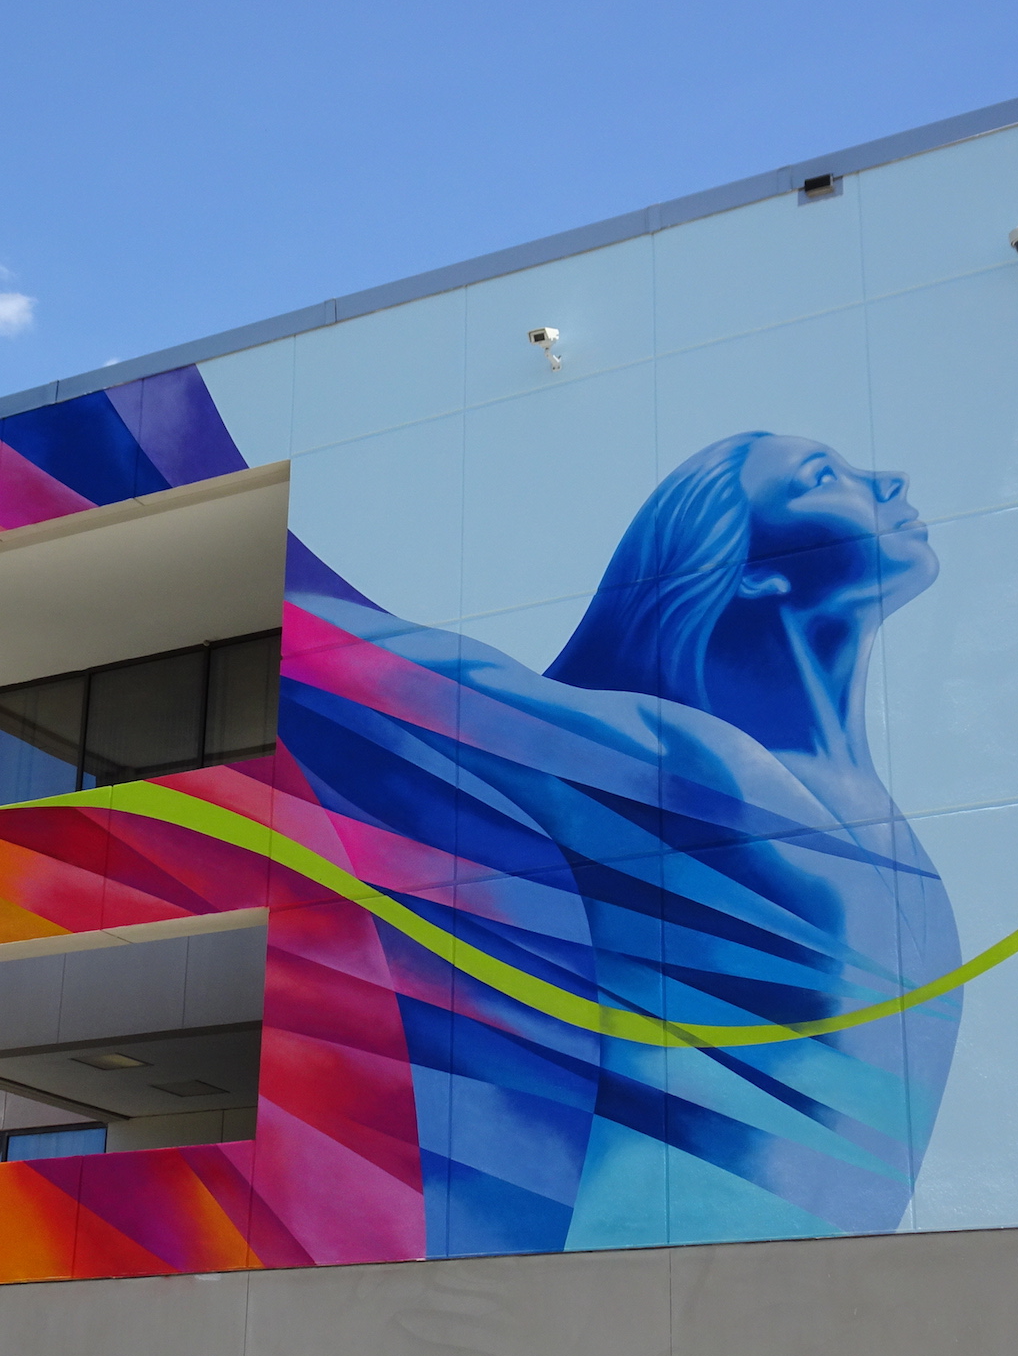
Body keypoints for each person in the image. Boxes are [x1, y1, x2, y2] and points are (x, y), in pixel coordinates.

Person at [280, 432, 961, 1253]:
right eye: (824, 478)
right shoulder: (693, 773)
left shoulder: (875, 822)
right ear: (753, 571)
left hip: (780, 1318)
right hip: (634, 1312)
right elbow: (389, 671)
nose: (889, 478)